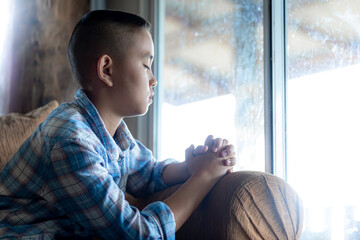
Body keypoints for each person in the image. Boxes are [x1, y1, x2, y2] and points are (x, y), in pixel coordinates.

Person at [0, 10, 236, 239]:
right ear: (107, 70)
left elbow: (147, 172)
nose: (154, 80)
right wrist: (202, 179)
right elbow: (138, 234)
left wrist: (191, 166)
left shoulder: (112, 134)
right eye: (146, 65)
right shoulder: (70, 140)